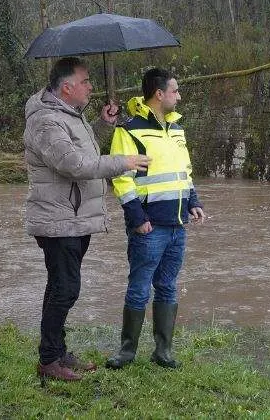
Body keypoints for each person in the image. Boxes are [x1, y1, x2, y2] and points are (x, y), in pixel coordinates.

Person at [24, 56, 151, 381]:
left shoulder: (68, 116)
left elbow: (80, 149)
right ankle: (49, 360)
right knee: (65, 289)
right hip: (58, 219)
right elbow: (74, 163)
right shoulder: (45, 121)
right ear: (67, 88)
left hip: (74, 217)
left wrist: (99, 124)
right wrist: (124, 161)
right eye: (85, 81)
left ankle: (57, 353)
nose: (91, 86)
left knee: (61, 287)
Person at [106, 67, 206, 369]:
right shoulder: (129, 130)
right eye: (174, 90)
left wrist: (193, 202)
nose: (179, 95)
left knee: (168, 286)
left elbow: (183, 172)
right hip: (149, 227)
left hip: (178, 225)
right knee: (139, 288)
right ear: (159, 94)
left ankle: (163, 352)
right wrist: (137, 218)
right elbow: (121, 179)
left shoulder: (177, 129)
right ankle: (127, 352)